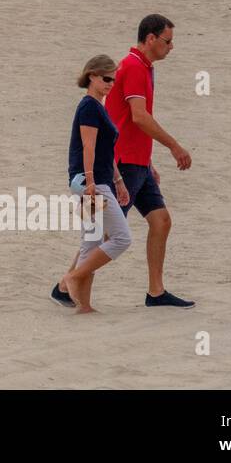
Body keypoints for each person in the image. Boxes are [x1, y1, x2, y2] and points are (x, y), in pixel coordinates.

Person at [105, 14, 195, 308]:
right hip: (124, 162)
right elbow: (138, 117)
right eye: (168, 41)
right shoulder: (133, 66)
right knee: (104, 231)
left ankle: (156, 292)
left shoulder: (143, 66)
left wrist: (149, 161)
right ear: (151, 39)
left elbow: (132, 122)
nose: (172, 47)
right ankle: (67, 284)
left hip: (139, 162)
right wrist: (174, 147)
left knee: (161, 220)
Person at [53, 55, 133, 313]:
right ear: (91, 76)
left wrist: (119, 181)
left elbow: (105, 151)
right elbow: (88, 145)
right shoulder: (89, 106)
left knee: (92, 240)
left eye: (114, 78)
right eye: (106, 78)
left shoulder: (99, 107)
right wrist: (90, 182)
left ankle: (83, 305)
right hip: (91, 182)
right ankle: (71, 278)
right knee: (122, 238)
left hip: (98, 181)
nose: (111, 83)